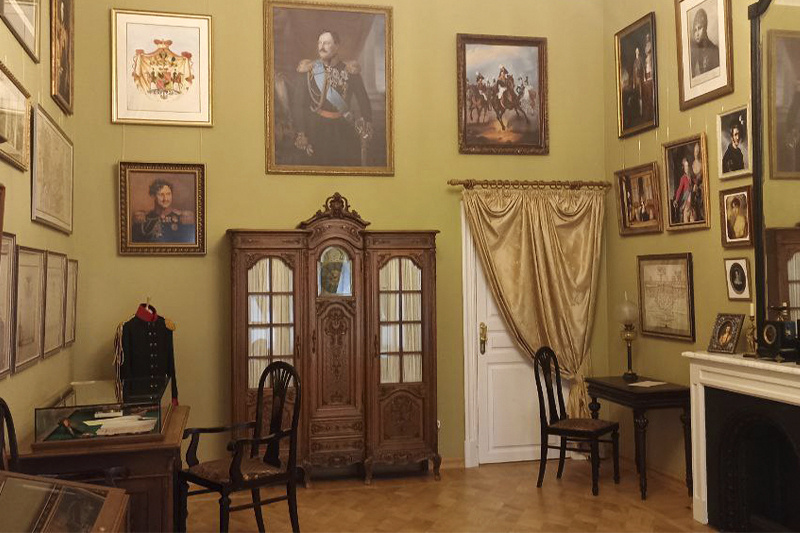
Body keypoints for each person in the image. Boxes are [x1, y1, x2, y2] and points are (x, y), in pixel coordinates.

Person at [292, 30, 373, 167]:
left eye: (327, 43)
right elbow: (298, 105)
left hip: (344, 129)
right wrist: (301, 133)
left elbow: (363, 100)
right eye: (320, 43)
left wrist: (367, 124)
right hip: (316, 130)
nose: (321, 46)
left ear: (337, 46)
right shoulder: (309, 70)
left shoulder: (350, 70)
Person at [131, 179, 195, 243]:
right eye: (161, 195)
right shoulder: (143, 219)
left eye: (168, 194)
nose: (165, 199)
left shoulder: (182, 218)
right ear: (153, 196)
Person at [690, 8, 720, 77]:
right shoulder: (694, 54)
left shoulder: (714, 50)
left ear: (705, 27)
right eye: (695, 30)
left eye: (699, 28)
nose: (697, 34)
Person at [672, 157, 694, 223]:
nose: (687, 168)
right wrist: (676, 200)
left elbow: (695, 183)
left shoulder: (691, 177)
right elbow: (679, 189)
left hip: (692, 201)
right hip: (686, 200)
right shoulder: (683, 178)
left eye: (687, 166)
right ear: (683, 168)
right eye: (685, 166)